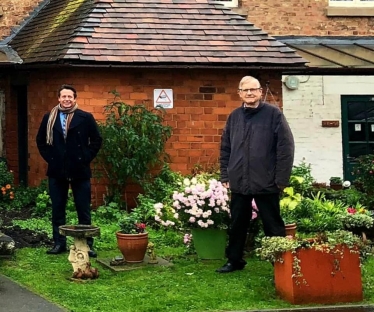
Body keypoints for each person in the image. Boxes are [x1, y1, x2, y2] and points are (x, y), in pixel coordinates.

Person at [216, 76, 295, 273]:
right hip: (239, 181)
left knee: (273, 225)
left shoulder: (274, 115)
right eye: (245, 90)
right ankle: (234, 261)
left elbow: (285, 148)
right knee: (237, 224)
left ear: (260, 92)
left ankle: (280, 261)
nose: (249, 93)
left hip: (266, 181)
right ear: (239, 93)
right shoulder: (234, 117)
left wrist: (281, 180)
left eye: (253, 90)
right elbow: (225, 148)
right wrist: (225, 175)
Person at [36, 84, 102, 257]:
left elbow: (96, 140)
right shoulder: (49, 117)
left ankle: (86, 244)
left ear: (75, 98)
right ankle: (59, 243)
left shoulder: (85, 117)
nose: (66, 100)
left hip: (80, 169)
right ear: (58, 98)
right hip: (57, 170)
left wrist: (85, 157)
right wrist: (51, 158)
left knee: (83, 209)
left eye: (69, 97)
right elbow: (40, 141)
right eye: (63, 97)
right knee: (58, 208)